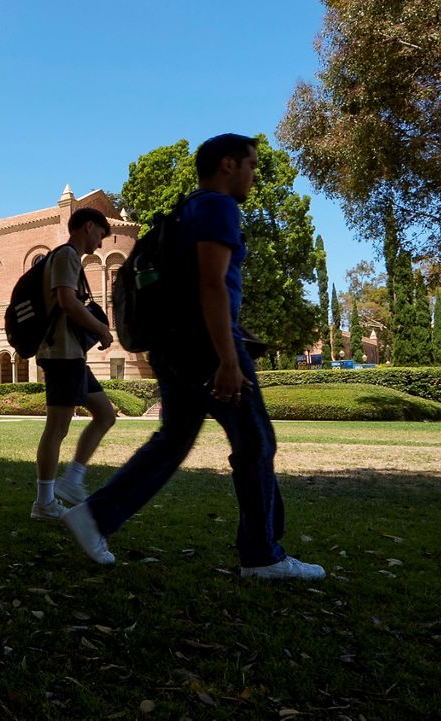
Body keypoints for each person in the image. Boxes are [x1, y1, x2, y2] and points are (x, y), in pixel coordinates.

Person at [61, 134, 325, 581]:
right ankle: (263, 555)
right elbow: (211, 285)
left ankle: (96, 517)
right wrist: (228, 357)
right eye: (251, 165)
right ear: (227, 164)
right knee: (256, 442)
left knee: (174, 439)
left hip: (171, 345)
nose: (254, 176)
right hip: (205, 346)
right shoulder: (218, 207)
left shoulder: (186, 209)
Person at [29, 207, 116, 521]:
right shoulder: (66, 256)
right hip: (61, 354)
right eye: (100, 235)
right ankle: (44, 503)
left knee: (105, 414)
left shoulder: (69, 258)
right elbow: (67, 301)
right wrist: (101, 329)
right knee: (57, 429)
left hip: (72, 355)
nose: (101, 244)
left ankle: (73, 479)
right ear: (88, 227)